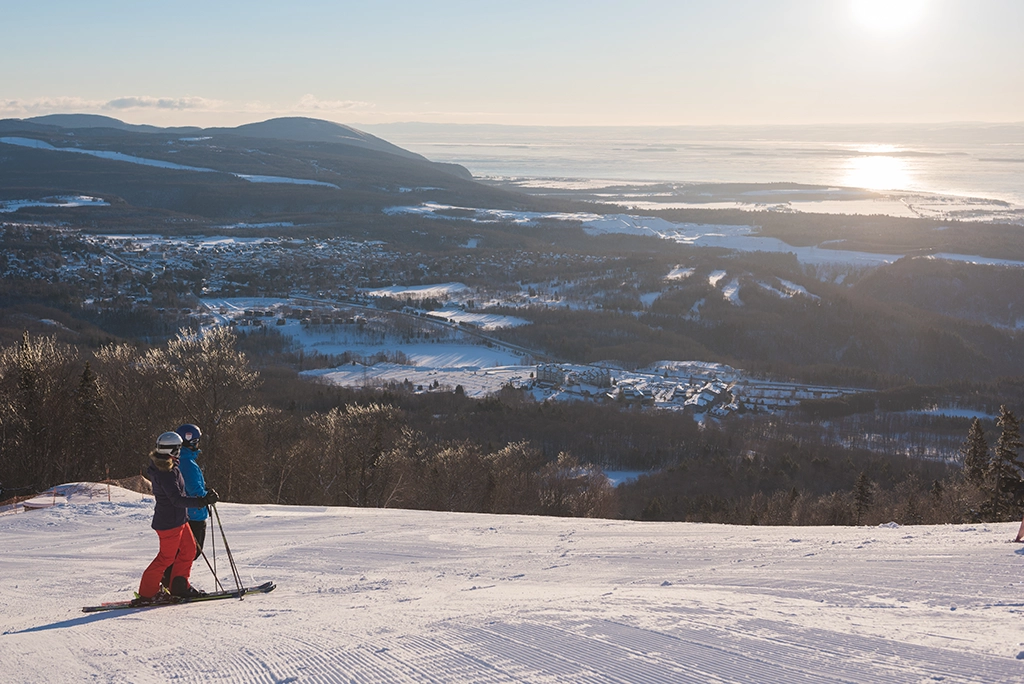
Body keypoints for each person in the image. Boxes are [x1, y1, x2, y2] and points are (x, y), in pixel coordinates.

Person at [133, 431, 218, 605]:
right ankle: (147, 594)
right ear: (172, 450)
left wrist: (203, 493)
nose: (180, 450)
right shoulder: (166, 473)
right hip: (169, 523)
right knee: (166, 558)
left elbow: (182, 492)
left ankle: (180, 586)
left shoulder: (170, 466)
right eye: (178, 448)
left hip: (179, 519)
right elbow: (177, 499)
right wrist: (202, 501)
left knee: (189, 550)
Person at [160, 423, 209, 589]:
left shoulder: (181, 460)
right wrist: (206, 497)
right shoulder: (188, 462)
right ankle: (177, 583)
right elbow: (194, 489)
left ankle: (171, 580)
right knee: (191, 551)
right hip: (194, 513)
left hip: (185, 512)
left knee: (183, 551)